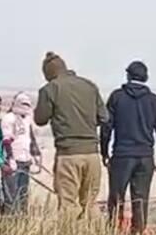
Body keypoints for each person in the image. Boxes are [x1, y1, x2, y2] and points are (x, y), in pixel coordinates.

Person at [101, 61, 156, 235]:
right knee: (140, 199)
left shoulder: (116, 97)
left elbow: (106, 127)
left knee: (116, 198)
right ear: (146, 78)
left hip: (122, 155)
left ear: (128, 76)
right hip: (145, 157)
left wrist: (104, 152)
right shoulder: (155, 101)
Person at [35, 52, 108, 217]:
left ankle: (70, 234)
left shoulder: (50, 89)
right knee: (90, 204)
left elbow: (40, 119)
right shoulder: (89, 86)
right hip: (92, 154)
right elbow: (104, 117)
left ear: (48, 73)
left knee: (68, 204)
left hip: (68, 154)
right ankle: (95, 233)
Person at [1, 92, 41, 214]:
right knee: (11, 196)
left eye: (27, 104)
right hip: (13, 161)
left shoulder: (27, 118)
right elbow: (6, 140)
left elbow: (30, 135)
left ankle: (22, 219)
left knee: (23, 194)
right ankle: (10, 220)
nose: (25, 107)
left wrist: (35, 152)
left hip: (25, 160)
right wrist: (10, 158)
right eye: (23, 104)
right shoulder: (9, 118)